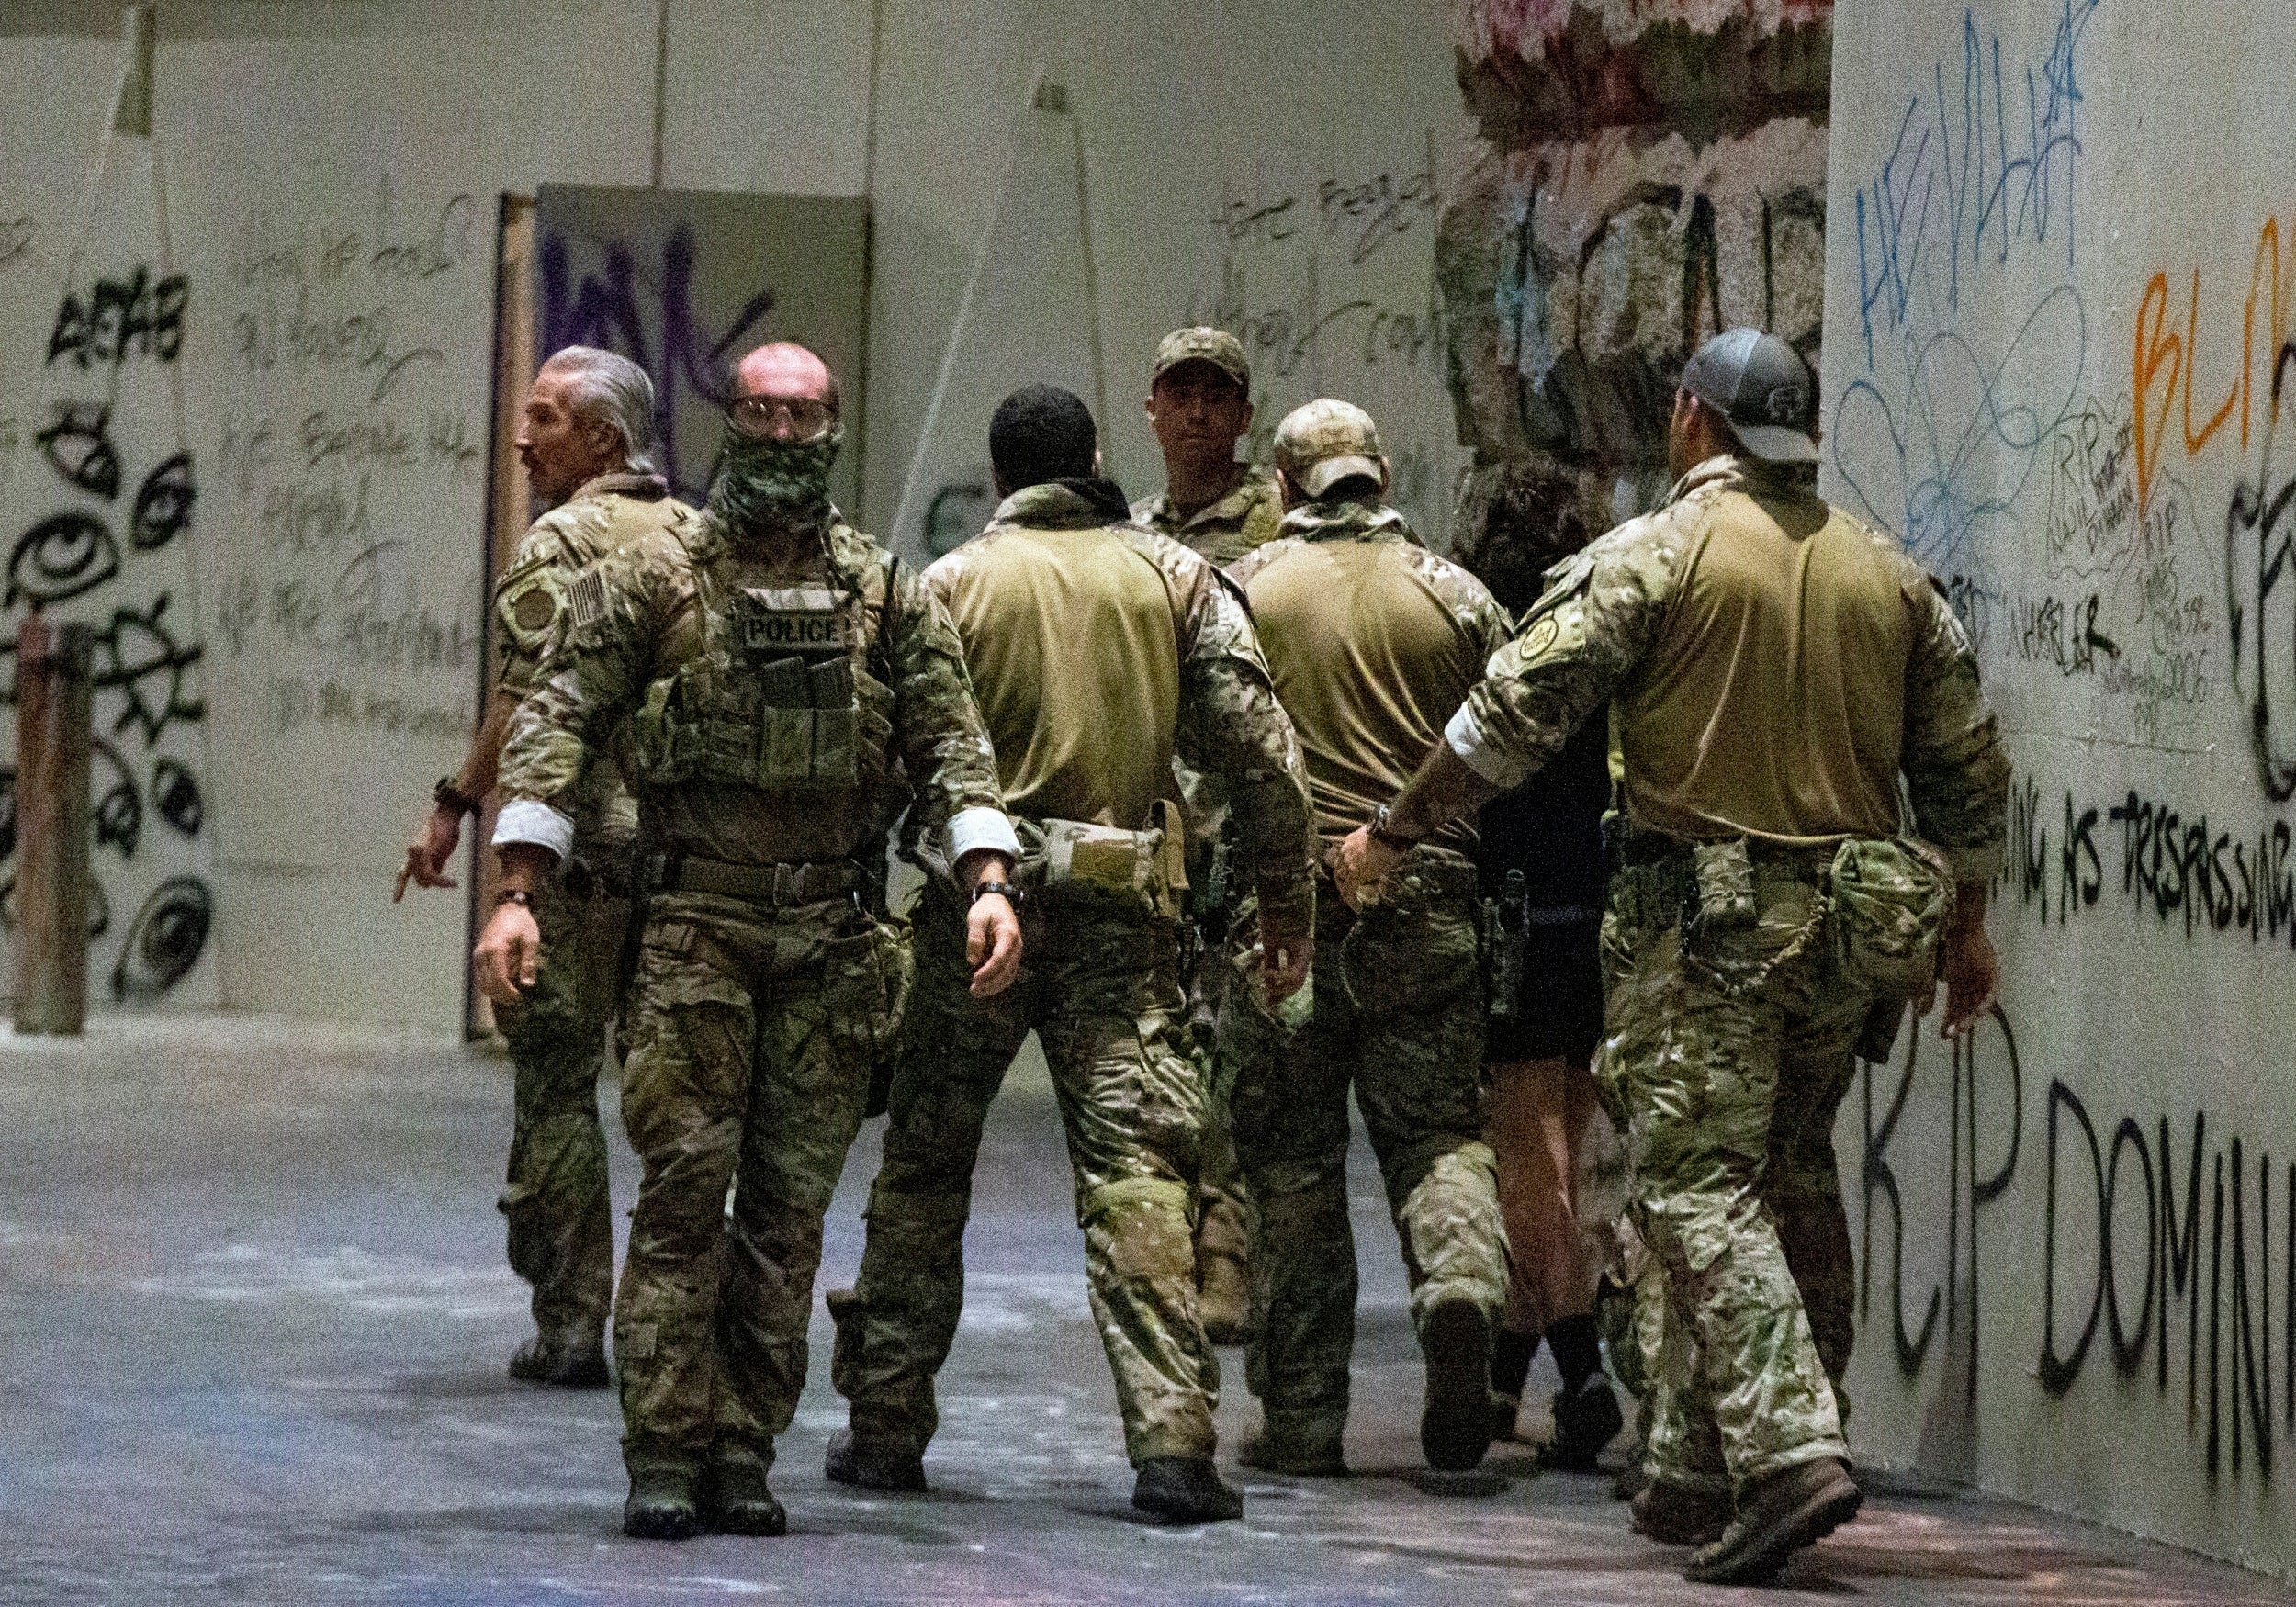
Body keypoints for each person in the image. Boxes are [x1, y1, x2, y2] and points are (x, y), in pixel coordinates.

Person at [1333, 327, 2010, 1584]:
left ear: (1693, 420)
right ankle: (1699, 1465)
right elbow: (1969, 769)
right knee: (1792, 1170)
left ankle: (1787, 1450)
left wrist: (1394, 824)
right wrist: (1967, 929)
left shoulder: (1658, 554)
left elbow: (1508, 715)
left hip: (1711, 931)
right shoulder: (1890, 576)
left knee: (1696, 1188)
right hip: (1856, 935)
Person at [471, 342, 1023, 1542]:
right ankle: (665, 1444)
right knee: (682, 1191)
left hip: (829, 940)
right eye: (759, 413)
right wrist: (519, 886)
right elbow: (556, 722)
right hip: (693, 938)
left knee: (785, 1212)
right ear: (731, 419)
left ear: (831, 428)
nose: (777, 435)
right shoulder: (656, 576)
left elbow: (953, 744)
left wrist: (988, 878)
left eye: (801, 416)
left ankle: (744, 1441)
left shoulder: (887, 591)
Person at [827, 383, 1315, 1524]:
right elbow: (1261, 755)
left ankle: (885, 1425)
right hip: (1124, 923)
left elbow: (877, 766)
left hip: (971, 915)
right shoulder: (1176, 577)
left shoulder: (943, 587)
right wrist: (1286, 910)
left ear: (1000, 478)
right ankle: (1173, 1447)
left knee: (925, 1166)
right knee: (1139, 1172)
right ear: (1096, 458)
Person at [1219, 399, 1513, 1478]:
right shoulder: (1457, 595)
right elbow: (1515, 730)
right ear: (1380, 480)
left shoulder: (1242, 590)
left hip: (1281, 912)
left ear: (1286, 487)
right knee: (1437, 1134)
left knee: (1292, 1165)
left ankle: (1300, 1419)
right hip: (1426, 892)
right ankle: (1461, 1291)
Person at [395, 345, 685, 1388]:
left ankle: (571, 1324)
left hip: (576, 858)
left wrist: (458, 808)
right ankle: (682, 1326)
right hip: (689, 864)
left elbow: (525, 710)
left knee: (559, 1087)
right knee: (684, 1106)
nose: (523, 438)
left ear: (604, 439)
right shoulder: (700, 538)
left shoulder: (558, 545)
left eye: (547, 418)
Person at [1459, 466, 1623, 1468]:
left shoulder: (1491, 636)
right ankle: (1500, 1382)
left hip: (1515, 912)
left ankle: (1584, 1371)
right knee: (1564, 1140)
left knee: (1527, 1157)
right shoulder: (1606, 625)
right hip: (1597, 909)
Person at [1130, 325, 1282, 1342]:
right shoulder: (1132, 530)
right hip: (1154, 827)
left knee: (1238, 1066)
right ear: (1151, 412)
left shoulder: (1278, 525)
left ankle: (1228, 1262)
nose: (1195, 413)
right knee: (1163, 1059)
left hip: (1238, 822)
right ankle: (1178, 1251)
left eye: (1214, 396)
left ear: (1241, 413)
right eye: (1177, 394)